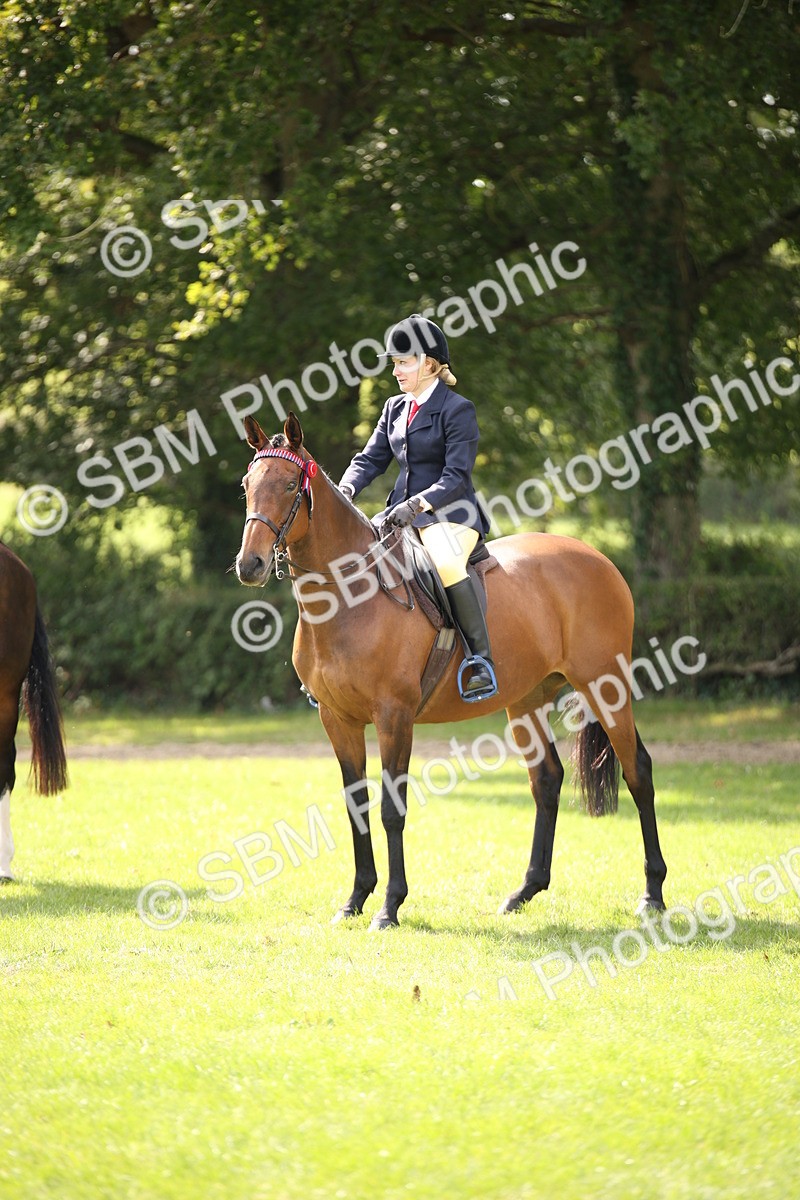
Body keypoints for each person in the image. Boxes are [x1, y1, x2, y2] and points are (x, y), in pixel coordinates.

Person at [338, 314, 496, 700]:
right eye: (394, 363)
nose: (396, 371)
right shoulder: (394, 407)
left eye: (403, 362)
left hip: (451, 514)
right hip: (400, 516)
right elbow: (370, 459)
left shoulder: (457, 409)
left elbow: (456, 474)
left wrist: (417, 503)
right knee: (352, 559)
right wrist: (345, 488)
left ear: (429, 364)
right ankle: (338, 662)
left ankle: (480, 659)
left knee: (444, 561)